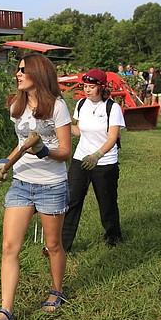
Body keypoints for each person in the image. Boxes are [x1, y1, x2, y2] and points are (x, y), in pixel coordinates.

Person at [0, 53, 72, 320]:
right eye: (17, 70)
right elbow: (21, 145)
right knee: (9, 247)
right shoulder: (16, 108)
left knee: (53, 245)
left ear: (38, 73)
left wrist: (44, 151)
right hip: (21, 183)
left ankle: (57, 291)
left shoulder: (57, 106)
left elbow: (66, 151)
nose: (17, 74)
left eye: (22, 70)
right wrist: (4, 164)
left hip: (51, 185)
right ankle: (5, 311)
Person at [61, 69, 125, 252]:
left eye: (91, 87)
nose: (87, 90)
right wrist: (62, 126)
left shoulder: (112, 108)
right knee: (71, 200)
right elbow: (79, 130)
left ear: (101, 88)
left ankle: (113, 236)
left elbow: (112, 137)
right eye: (85, 86)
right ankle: (63, 244)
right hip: (81, 159)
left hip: (104, 162)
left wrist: (98, 155)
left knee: (107, 201)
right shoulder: (81, 104)